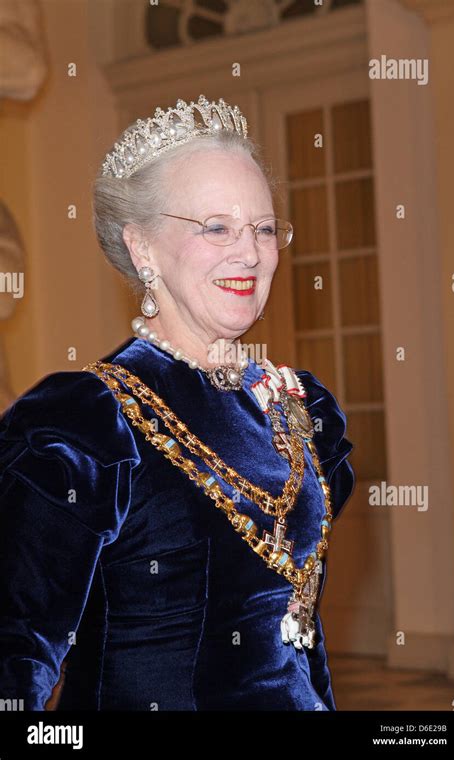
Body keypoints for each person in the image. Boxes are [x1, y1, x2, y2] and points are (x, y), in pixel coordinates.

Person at [0, 95, 355, 711]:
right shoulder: (89, 425)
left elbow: (300, 644)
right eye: (215, 227)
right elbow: (15, 655)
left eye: (264, 228)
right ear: (141, 247)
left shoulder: (299, 407)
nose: (249, 252)